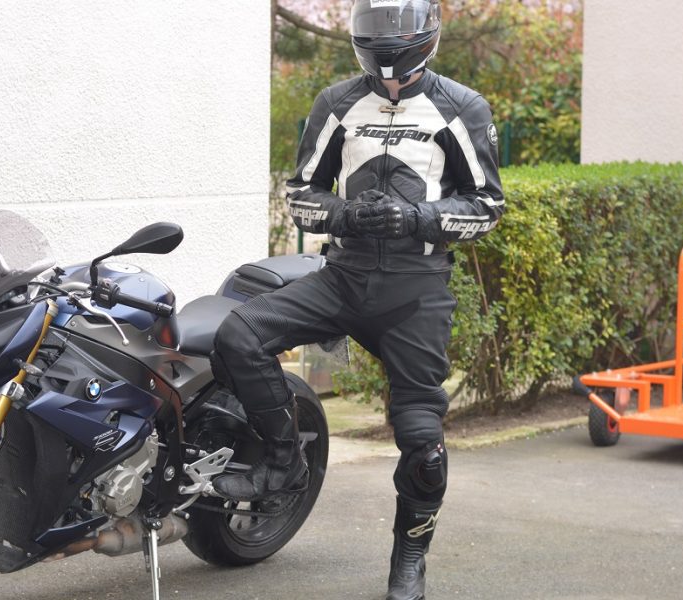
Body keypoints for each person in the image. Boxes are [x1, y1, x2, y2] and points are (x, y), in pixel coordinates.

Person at [210, 1, 503, 598]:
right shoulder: (336, 102)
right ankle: (283, 462)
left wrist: (417, 218)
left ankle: (409, 562)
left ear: (426, 35)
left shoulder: (462, 106)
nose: (388, 49)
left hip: (415, 292)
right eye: (377, 34)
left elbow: (487, 208)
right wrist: (343, 214)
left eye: (399, 33)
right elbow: (301, 194)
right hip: (341, 278)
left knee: (423, 447)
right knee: (238, 335)